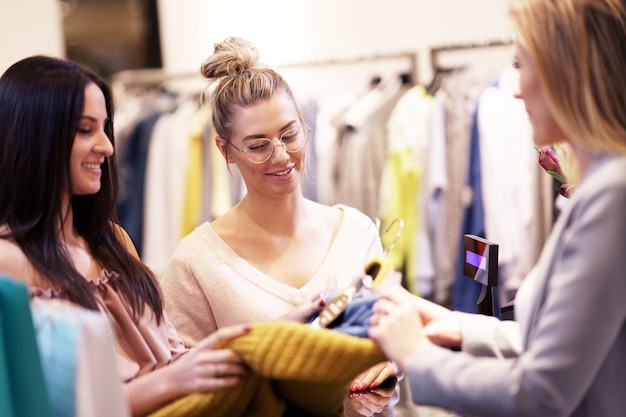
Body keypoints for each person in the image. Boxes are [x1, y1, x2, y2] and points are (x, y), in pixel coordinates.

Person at [368, 0, 626, 416]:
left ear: (569, 71)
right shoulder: (604, 185)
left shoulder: (613, 194)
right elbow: (560, 345)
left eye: (522, 65)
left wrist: (417, 356)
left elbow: (542, 392)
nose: (517, 89)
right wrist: (455, 326)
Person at [0, 55, 250, 417]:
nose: (107, 146)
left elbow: (173, 356)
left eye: (105, 128)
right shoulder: (10, 263)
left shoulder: (114, 242)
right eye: (85, 130)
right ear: (36, 135)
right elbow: (39, 408)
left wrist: (265, 341)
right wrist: (169, 383)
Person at [160, 36, 399, 415]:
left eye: (290, 134)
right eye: (257, 146)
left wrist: (385, 375)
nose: (282, 156)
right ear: (225, 150)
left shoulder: (357, 233)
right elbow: (188, 397)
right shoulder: (195, 265)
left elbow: (393, 340)